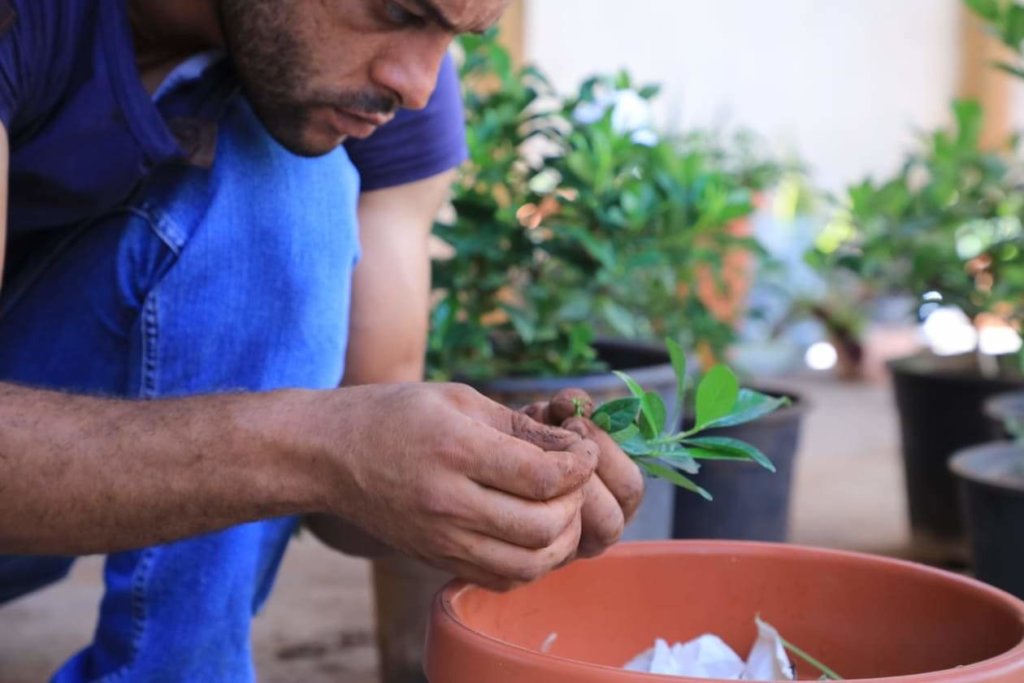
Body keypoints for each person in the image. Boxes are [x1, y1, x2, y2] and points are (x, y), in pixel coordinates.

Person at [0, 1, 645, 680]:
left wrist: (487, 486)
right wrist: (321, 445)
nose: (419, 85)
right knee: (287, 179)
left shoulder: (368, 95)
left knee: (289, 183)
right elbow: (328, 448)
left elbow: (359, 477)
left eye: (452, 35)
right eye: (398, 10)